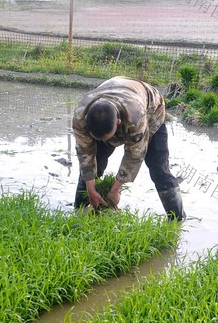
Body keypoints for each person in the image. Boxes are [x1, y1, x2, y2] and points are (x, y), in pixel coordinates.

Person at [72, 76, 185, 221]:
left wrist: (115, 190)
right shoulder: (80, 116)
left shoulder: (136, 116)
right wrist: (90, 188)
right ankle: (78, 214)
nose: (105, 142)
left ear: (118, 123)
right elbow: (85, 153)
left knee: (158, 168)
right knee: (95, 162)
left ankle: (177, 219)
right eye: (99, 138)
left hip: (151, 109)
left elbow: (134, 155)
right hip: (115, 96)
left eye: (107, 138)